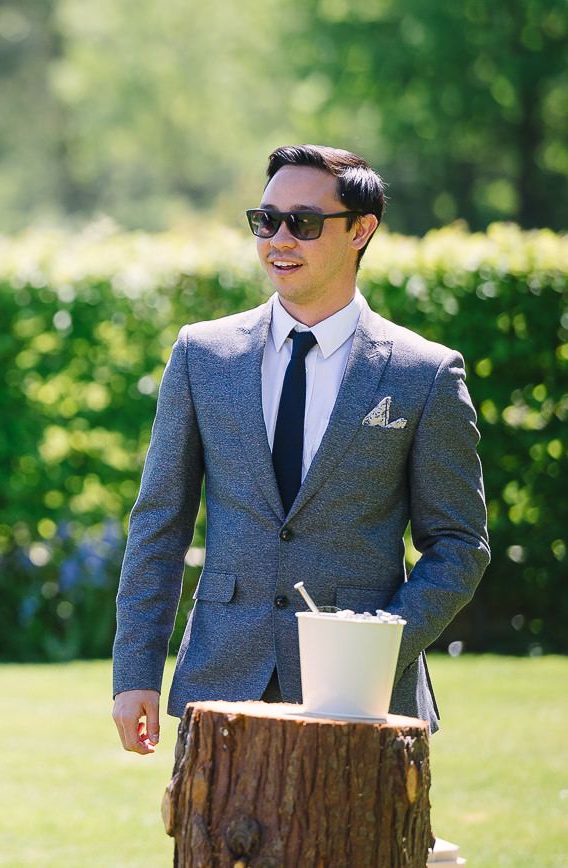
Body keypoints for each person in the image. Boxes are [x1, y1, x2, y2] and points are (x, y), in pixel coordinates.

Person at [111, 145, 490, 755]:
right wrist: (134, 676)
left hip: (366, 704)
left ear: (360, 230)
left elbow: (459, 543)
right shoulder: (202, 355)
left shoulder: (424, 373)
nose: (279, 239)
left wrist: (378, 641)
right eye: (266, 221)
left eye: (304, 223)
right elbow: (159, 523)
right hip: (220, 689)